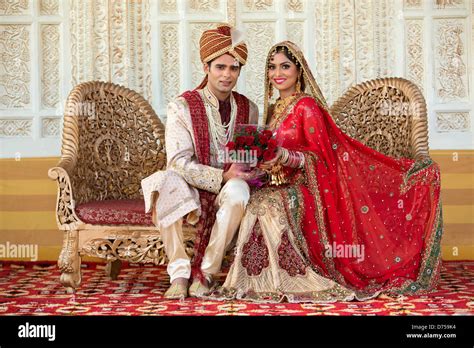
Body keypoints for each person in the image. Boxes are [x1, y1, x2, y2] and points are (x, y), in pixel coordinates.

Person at [216, 41, 443, 302]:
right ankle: (261, 279)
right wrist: (262, 163)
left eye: (285, 66)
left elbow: (322, 159)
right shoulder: (272, 109)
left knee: (269, 205)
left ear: (298, 71)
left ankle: (289, 278)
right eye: (272, 67)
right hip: (277, 182)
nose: (277, 73)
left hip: (309, 186)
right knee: (258, 200)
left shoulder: (307, 107)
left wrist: (285, 157)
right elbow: (267, 153)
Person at [141, 23, 260, 299]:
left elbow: (247, 156)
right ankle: (180, 273)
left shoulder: (248, 108)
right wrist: (220, 176)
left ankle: (206, 272)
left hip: (227, 188)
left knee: (240, 191)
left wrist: (250, 168)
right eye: (220, 67)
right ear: (206, 67)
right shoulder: (181, 106)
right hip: (190, 187)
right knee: (166, 182)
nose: (227, 75)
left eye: (234, 68)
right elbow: (179, 162)